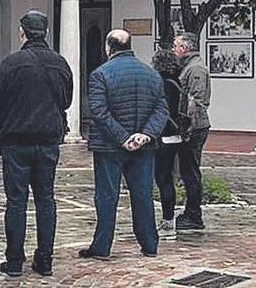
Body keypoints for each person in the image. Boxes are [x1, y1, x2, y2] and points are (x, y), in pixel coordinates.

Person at [0, 10, 73, 278]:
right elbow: (66, 100)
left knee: (16, 201)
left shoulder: (12, 63)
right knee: (46, 200)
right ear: (44, 32)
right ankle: (45, 258)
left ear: (23, 32)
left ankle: (13, 261)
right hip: (47, 140)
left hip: (16, 141)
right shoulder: (59, 63)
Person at [80, 29, 168, 260]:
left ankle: (102, 246)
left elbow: (99, 111)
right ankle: (149, 243)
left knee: (107, 196)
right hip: (143, 146)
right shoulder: (151, 74)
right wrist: (144, 135)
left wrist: (123, 137)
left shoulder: (101, 74)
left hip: (109, 147)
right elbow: (161, 110)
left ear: (109, 48)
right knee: (143, 194)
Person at [152, 47, 193, 242]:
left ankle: (168, 221)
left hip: (164, 135)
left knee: (163, 179)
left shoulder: (162, 83)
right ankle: (169, 219)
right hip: (176, 134)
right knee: (167, 179)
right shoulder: (177, 80)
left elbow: (163, 111)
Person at [173, 33, 211, 232]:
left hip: (194, 128)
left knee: (191, 172)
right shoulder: (188, 66)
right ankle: (191, 212)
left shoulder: (195, 68)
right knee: (187, 171)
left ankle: (194, 214)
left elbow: (196, 101)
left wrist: (187, 129)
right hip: (190, 126)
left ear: (185, 48)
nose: (174, 49)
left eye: (176, 45)